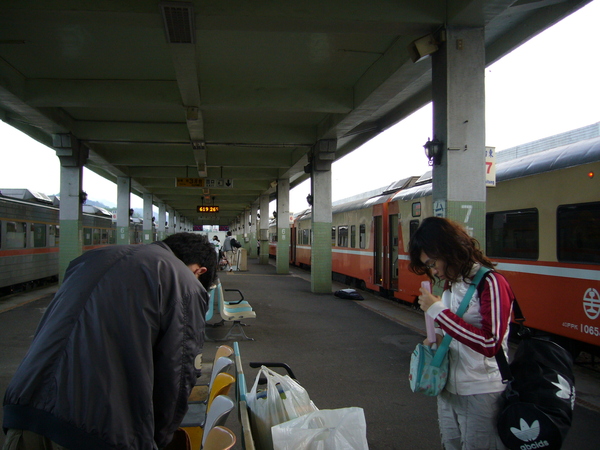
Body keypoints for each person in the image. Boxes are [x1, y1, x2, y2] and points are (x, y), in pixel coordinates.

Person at [2, 233, 217, 450]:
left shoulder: (91, 259)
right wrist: (158, 438)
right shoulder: (184, 281)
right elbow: (178, 374)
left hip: (23, 413)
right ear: (199, 271)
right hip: (97, 430)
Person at [408, 217, 515, 450]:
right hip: (448, 387)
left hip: (481, 390)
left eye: (433, 262)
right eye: (428, 265)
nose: (433, 270)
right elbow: (452, 330)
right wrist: (434, 337)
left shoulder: (492, 283)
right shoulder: (452, 284)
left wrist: (437, 310)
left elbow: (491, 343)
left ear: (449, 250)